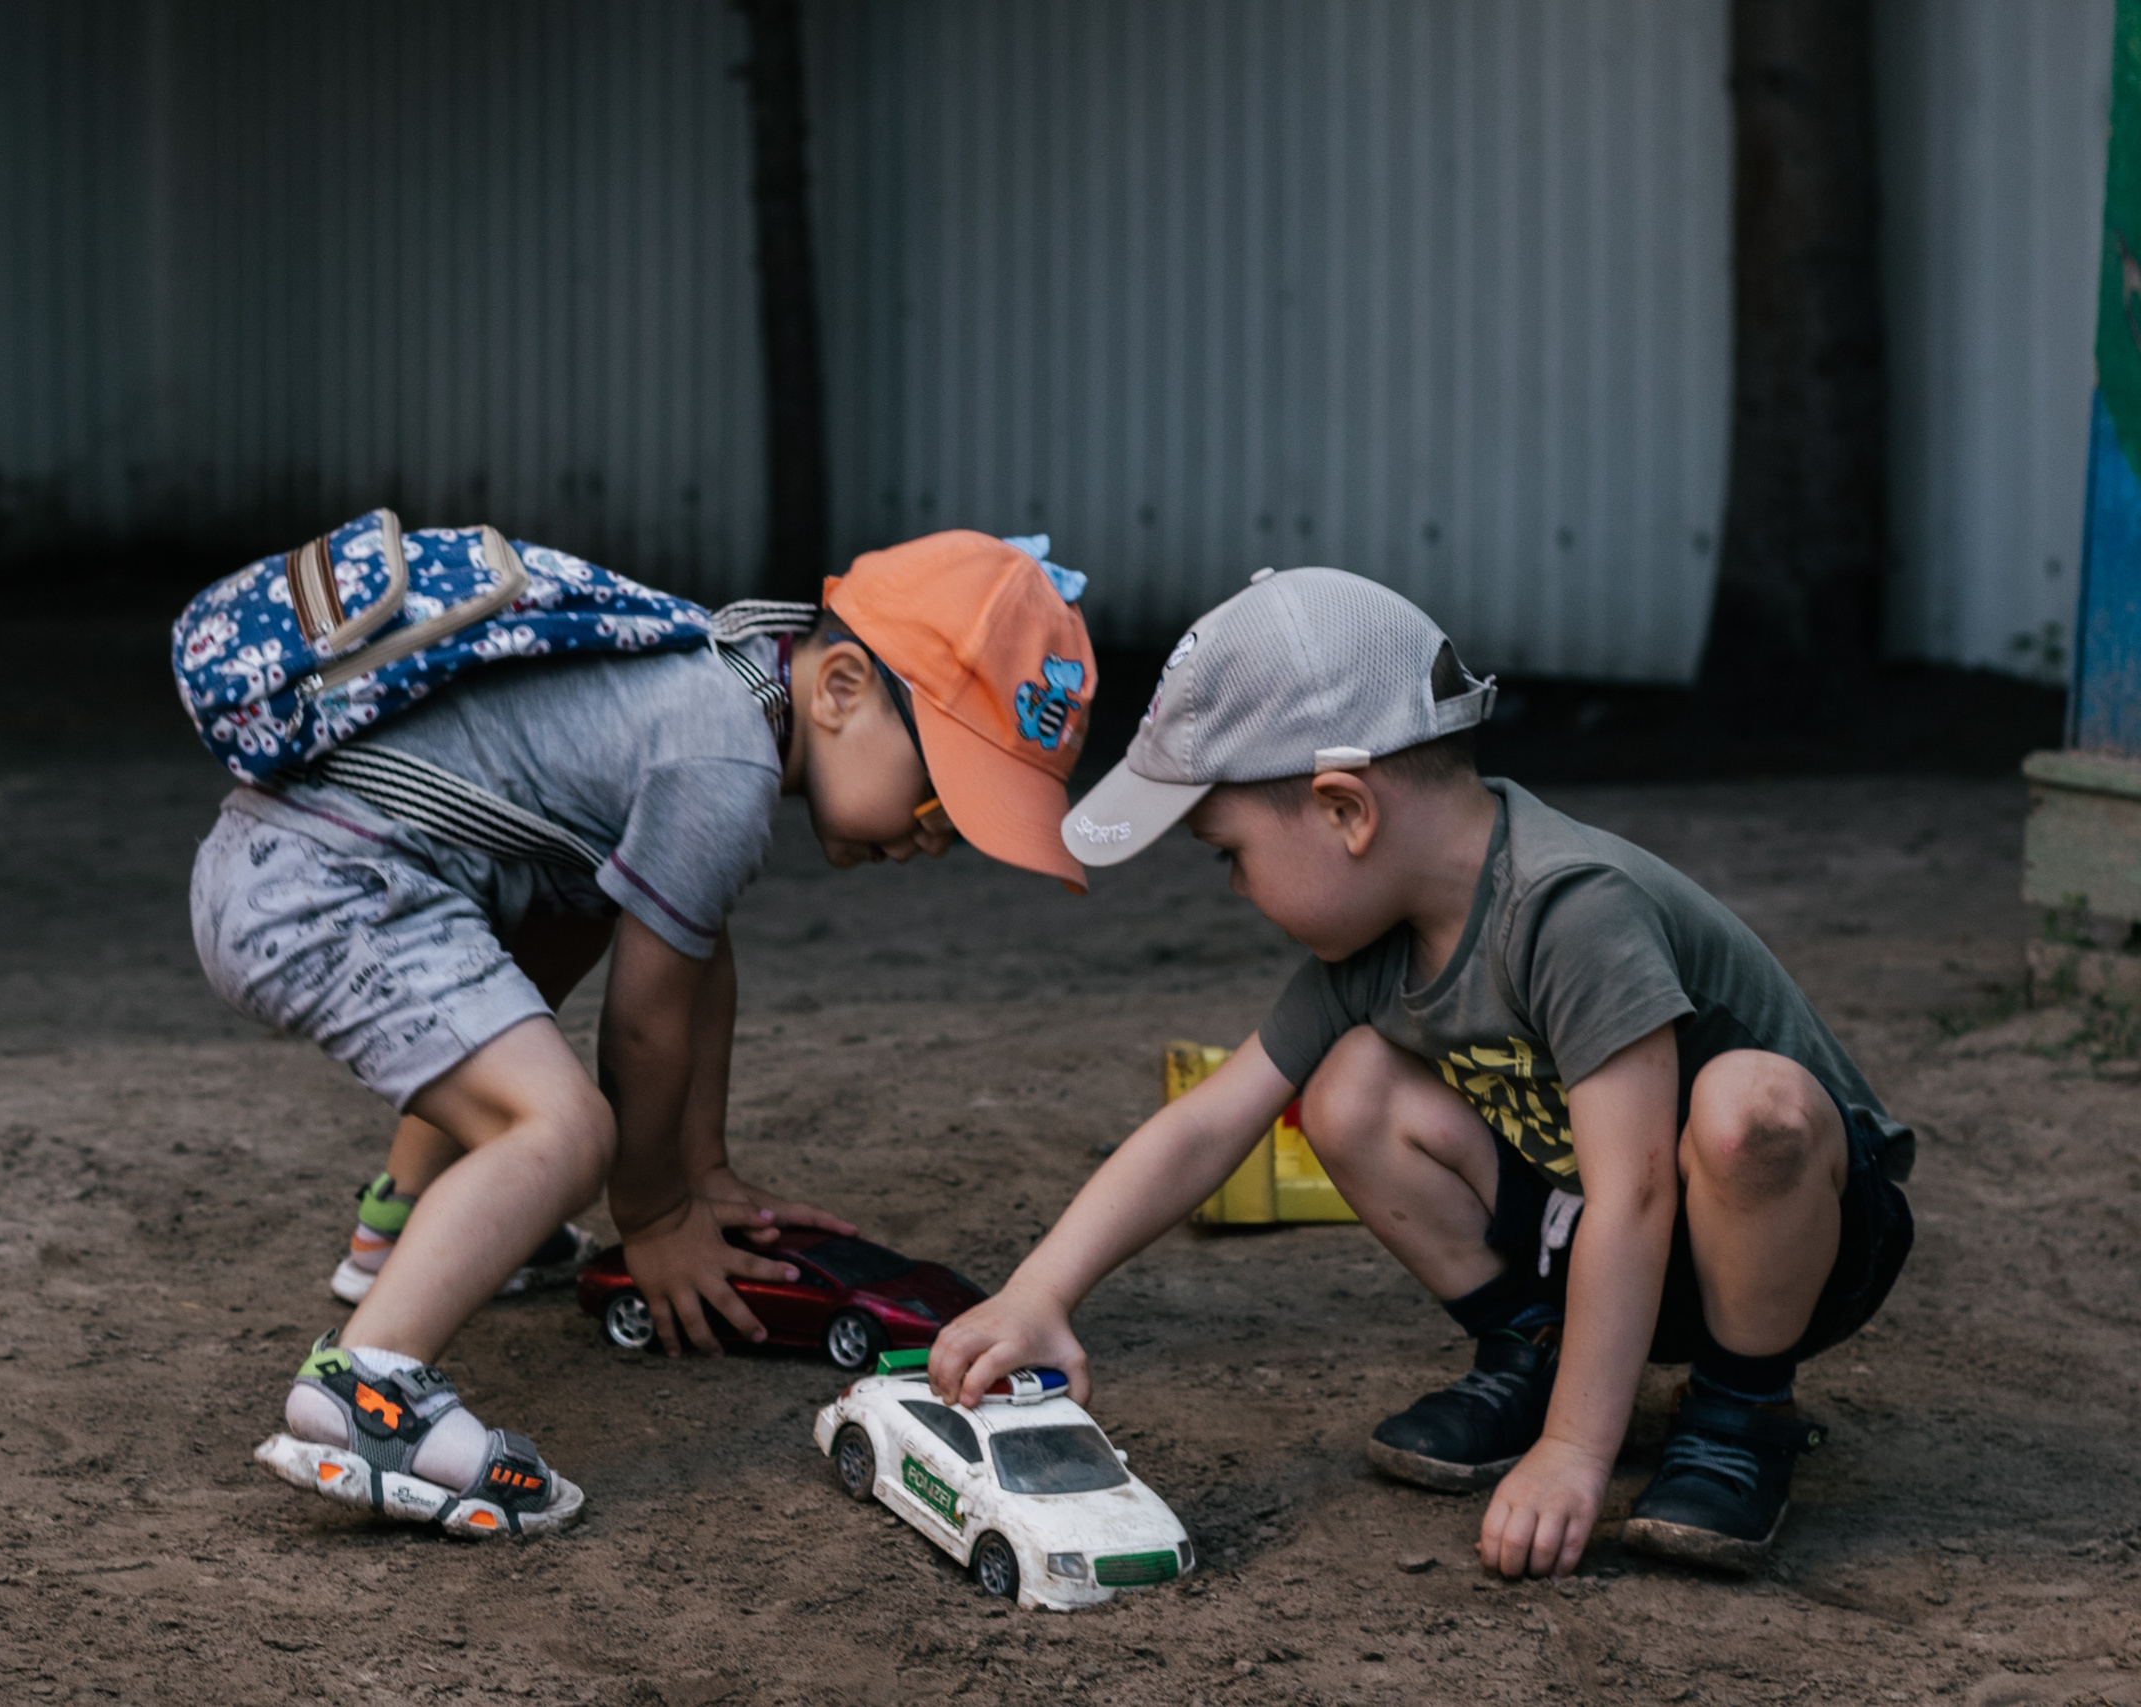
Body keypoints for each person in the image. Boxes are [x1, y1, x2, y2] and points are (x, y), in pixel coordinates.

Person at [930, 567, 1912, 1577]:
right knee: (1348, 1086)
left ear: (1344, 811)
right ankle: (1534, 1349)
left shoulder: (1570, 906)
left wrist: (1574, 1454)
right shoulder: (1373, 949)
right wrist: (1040, 1291)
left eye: (1229, 851)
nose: (1234, 886)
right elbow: (1206, 1124)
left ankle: (1739, 1411)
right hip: (1606, 1244)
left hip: (1792, 1243)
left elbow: (1638, 1194)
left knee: (1748, 1108)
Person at [189, 530, 1099, 1535]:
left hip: (320, 864)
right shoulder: (722, 756)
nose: (937, 836)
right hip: (323, 889)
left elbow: (696, 952)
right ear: (842, 687)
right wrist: (657, 1214)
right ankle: (367, 1388)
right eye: (943, 795)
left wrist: (700, 1171)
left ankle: (404, 1225)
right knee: (566, 1132)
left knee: (597, 897)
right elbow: (645, 1025)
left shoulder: (718, 680)